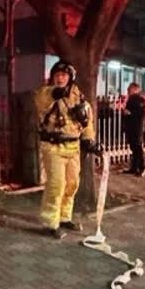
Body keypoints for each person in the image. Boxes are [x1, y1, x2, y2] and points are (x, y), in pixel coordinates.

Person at [34, 60, 102, 239]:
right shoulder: (47, 92)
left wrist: (89, 140)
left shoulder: (79, 97)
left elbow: (87, 121)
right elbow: (42, 100)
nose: (60, 78)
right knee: (56, 185)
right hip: (53, 147)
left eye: (64, 75)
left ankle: (64, 217)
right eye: (57, 75)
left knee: (72, 184)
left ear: (70, 77)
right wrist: (55, 93)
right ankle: (50, 223)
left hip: (73, 147)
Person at [122, 82, 145, 176]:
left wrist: (130, 113)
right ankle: (134, 167)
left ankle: (143, 168)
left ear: (136, 89)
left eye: (130, 88)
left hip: (137, 126)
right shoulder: (131, 98)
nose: (128, 90)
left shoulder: (140, 99)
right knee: (133, 147)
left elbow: (141, 113)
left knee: (137, 147)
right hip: (130, 126)